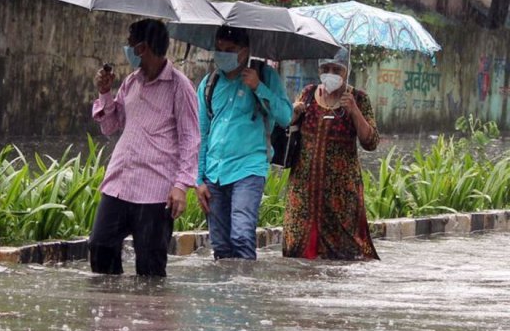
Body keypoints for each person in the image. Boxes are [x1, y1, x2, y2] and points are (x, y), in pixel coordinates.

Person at [89, 18, 200, 277]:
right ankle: (111, 313)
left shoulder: (179, 86)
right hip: (120, 183)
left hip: (155, 191)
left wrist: (181, 185)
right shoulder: (131, 81)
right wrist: (105, 93)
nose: (127, 50)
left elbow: (190, 138)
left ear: (142, 48)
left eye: (130, 45)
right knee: (100, 245)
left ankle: (150, 315)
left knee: (150, 265)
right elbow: (111, 126)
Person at [195, 26, 292, 260]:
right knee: (220, 243)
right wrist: (199, 180)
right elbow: (203, 134)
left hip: (248, 169)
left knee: (241, 235)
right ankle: (225, 293)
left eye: (230, 49)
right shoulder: (209, 84)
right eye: (220, 49)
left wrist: (259, 87)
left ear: (245, 51)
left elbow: (286, 116)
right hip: (215, 173)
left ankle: (245, 289)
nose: (223, 54)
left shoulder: (265, 75)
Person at [282, 48, 380, 260]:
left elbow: (371, 142)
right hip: (303, 193)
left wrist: (354, 111)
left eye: (336, 69)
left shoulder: (358, 99)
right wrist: (293, 114)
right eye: (326, 69)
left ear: (346, 71)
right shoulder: (308, 94)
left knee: (343, 257)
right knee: (298, 255)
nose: (331, 73)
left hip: (341, 197)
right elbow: (287, 131)